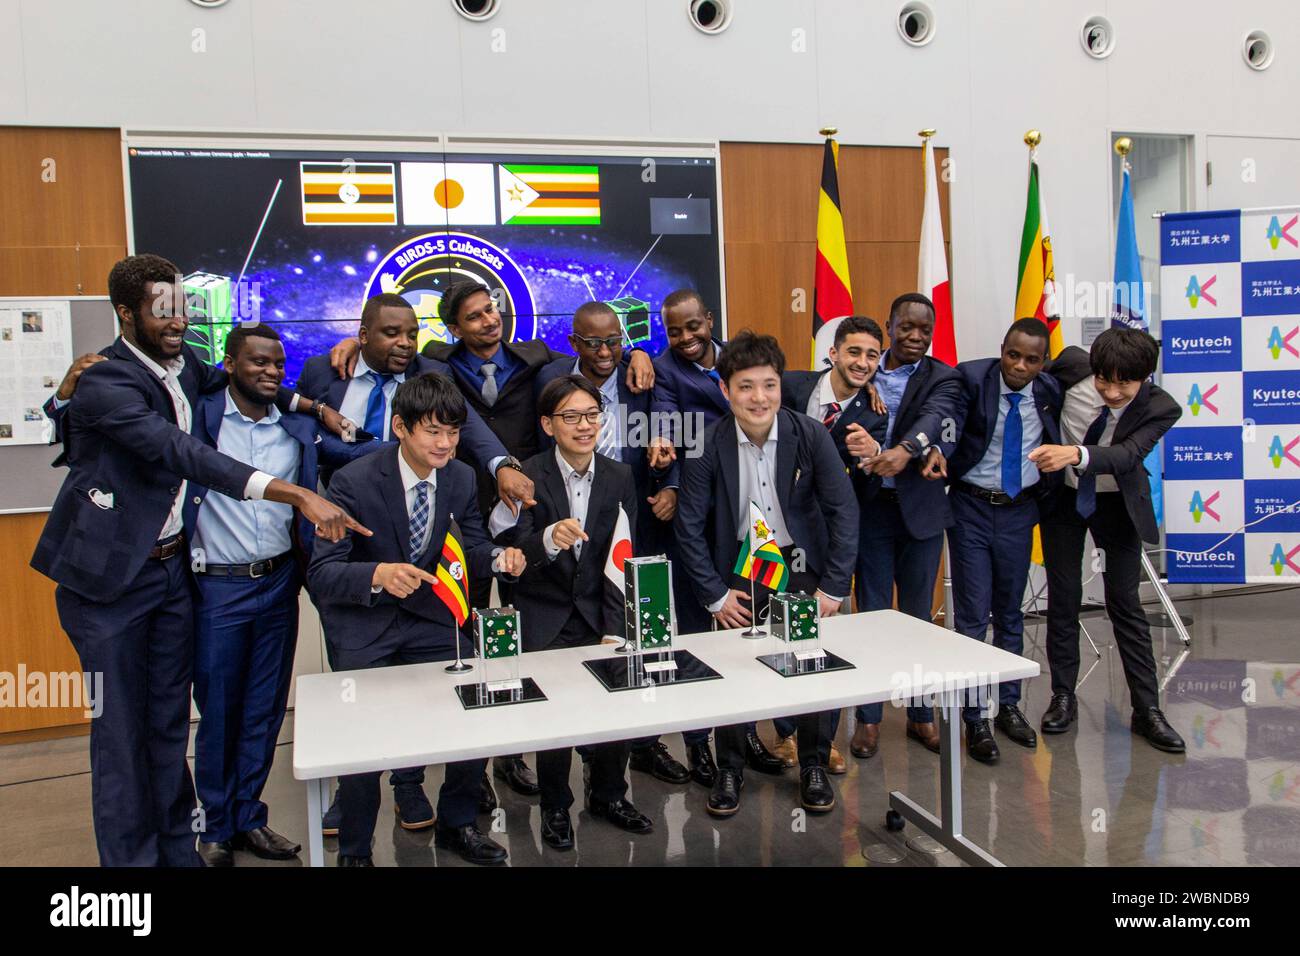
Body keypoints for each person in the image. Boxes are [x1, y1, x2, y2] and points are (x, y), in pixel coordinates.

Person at [30, 254, 366, 867]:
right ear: (126, 313)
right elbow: (180, 453)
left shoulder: (185, 370)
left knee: (166, 726)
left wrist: (315, 406)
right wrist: (292, 491)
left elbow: (252, 380)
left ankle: (177, 852)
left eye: (180, 306)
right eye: (162, 310)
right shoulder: (105, 380)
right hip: (108, 582)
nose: (177, 319)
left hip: (169, 571)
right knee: (121, 736)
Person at [307, 373, 527, 866]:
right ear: (401, 427)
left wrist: (496, 558)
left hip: (432, 620)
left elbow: (467, 544)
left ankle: (457, 824)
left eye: (453, 432)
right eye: (433, 432)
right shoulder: (351, 482)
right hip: (367, 627)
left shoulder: (461, 477)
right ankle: (356, 849)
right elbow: (322, 574)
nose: (446, 444)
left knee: (479, 708)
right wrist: (379, 574)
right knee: (362, 744)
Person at [674, 331, 858, 817]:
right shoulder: (707, 443)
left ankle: (814, 762)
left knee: (815, 666)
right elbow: (689, 525)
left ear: (781, 387)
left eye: (770, 385)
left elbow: (844, 512)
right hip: (739, 567)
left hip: (800, 564)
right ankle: (731, 765)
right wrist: (714, 596)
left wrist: (834, 585)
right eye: (746, 386)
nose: (759, 398)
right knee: (736, 669)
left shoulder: (810, 434)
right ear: (725, 390)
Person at [489, 375, 655, 849]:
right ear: (547, 424)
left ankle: (608, 795)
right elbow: (504, 549)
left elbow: (623, 555)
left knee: (615, 710)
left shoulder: (620, 476)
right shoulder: (528, 476)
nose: (584, 426)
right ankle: (557, 806)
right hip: (544, 614)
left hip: (599, 613)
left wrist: (614, 625)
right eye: (570, 417)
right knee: (555, 719)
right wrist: (545, 541)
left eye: (591, 415)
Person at [534, 303, 690, 786]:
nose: (605, 352)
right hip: (563, 530)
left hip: (629, 507)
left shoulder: (642, 375)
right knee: (562, 685)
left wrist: (673, 482)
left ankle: (629, 763)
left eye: (615, 342)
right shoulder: (551, 379)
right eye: (593, 343)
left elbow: (677, 430)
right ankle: (560, 791)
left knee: (624, 649)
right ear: (574, 343)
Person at [185, 324, 323, 865]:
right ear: (228, 363)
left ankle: (249, 817)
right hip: (217, 587)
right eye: (257, 362)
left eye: (276, 364)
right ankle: (214, 825)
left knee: (265, 710)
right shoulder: (201, 416)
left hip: (278, 581)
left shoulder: (295, 426)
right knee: (219, 710)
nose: (269, 371)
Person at [1028, 328, 1186, 753]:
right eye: (1104, 381)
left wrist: (1074, 454)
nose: (1112, 392)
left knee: (1124, 602)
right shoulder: (1070, 366)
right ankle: (1063, 695)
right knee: (1063, 596)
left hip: (1117, 502)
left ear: (1145, 378)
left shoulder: (1162, 407)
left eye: (1124, 384)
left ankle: (1147, 710)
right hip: (1063, 497)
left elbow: (1128, 455)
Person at [844, 292, 965, 758]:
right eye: (906, 327)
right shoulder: (864, 369)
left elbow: (940, 418)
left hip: (920, 512)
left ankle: (920, 715)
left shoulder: (943, 377)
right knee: (872, 617)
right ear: (889, 326)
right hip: (870, 510)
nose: (915, 336)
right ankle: (869, 720)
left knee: (918, 621)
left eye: (924, 329)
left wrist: (912, 449)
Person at [937, 318, 1062, 763]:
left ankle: (1008, 704)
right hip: (970, 508)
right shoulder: (973, 377)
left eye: (1031, 359)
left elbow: (1087, 367)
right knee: (972, 617)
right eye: (1013, 355)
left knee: (1010, 612)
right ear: (1001, 349)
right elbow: (941, 408)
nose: (1019, 366)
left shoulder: (1049, 391)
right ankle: (975, 717)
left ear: (1043, 363)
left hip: (1018, 511)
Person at [776, 314, 889, 772]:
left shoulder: (875, 417)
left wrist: (873, 457)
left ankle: (820, 747)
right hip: (767, 531)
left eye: (872, 356)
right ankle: (782, 734)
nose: (862, 363)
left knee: (824, 641)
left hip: (823, 543)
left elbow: (861, 496)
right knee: (772, 635)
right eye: (855, 352)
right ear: (834, 353)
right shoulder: (789, 385)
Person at [297, 292, 534, 511]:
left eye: (412, 335)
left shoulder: (429, 370)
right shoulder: (321, 371)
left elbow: (468, 421)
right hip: (334, 504)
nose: (405, 343)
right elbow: (301, 429)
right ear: (363, 336)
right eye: (392, 333)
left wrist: (503, 464)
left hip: (407, 506)